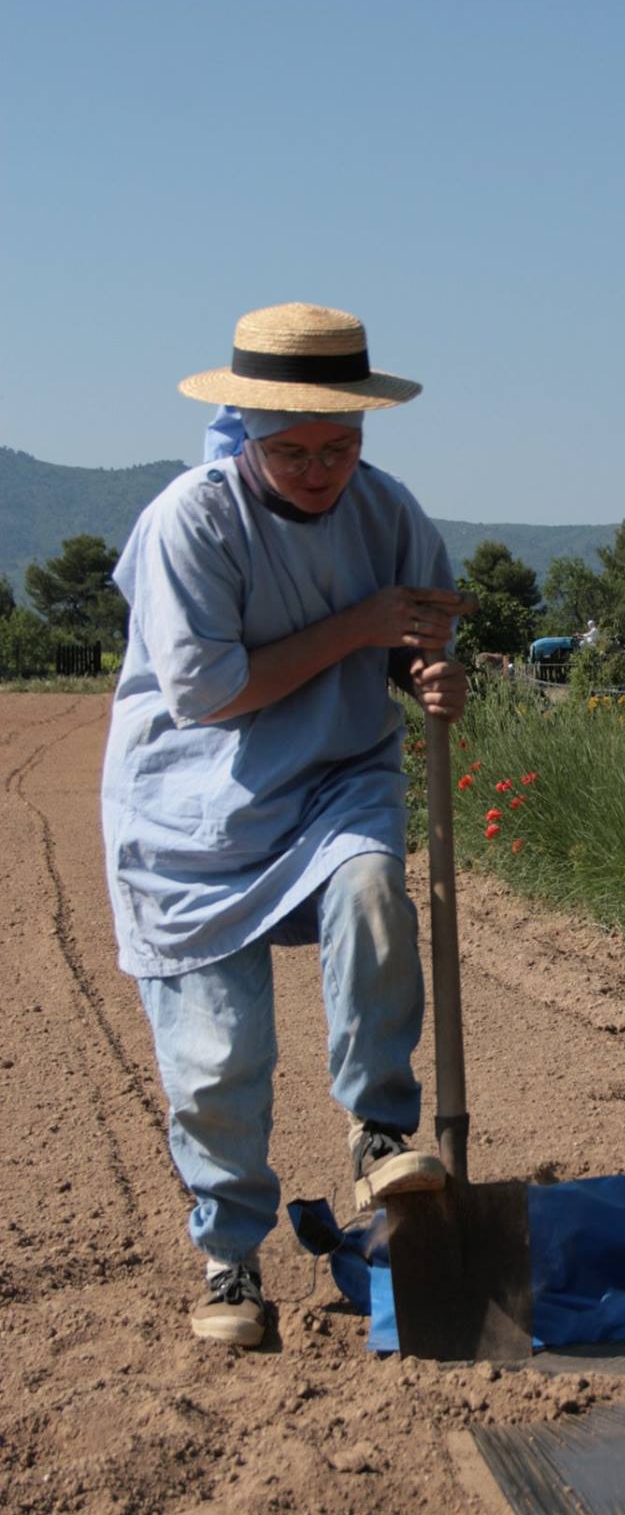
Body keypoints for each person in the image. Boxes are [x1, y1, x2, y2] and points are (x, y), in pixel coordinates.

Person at [102, 302, 473, 1349]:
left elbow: (422, 637)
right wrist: (361, 625)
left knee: (370, 891)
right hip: (191, 807)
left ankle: (378, 1125)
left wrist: (431, 672)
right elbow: (212, 693)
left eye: (339, 446)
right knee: (219, 1055)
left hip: (334, 774)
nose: (320, 469)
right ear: (248, 432)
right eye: (294, 449)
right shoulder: (192, 520)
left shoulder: (389, 511)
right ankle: (231, 1255)